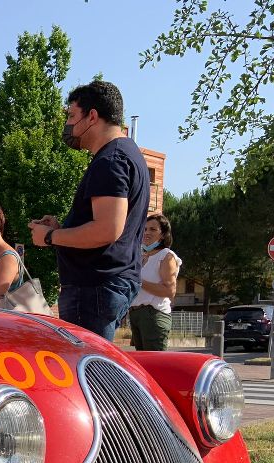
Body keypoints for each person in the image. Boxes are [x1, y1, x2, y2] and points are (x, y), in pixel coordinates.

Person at [28, 80, 150, 341]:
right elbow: (109, 225)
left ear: (92, 116)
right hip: (106, 286)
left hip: (94, 288)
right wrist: (62, 229)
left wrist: (49, 237)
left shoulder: (111, 160)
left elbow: (107, 229)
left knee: (89, 375)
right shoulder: (127, 154)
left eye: (72, 115)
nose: (68, 125)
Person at [128, 213, 181, 351]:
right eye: (145, 229)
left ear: (163, 235)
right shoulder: (140, 257)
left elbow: (170, 291)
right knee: (142, 365)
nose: (146, 233)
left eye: (153, 229)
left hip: (153, 315)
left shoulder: (166, 256)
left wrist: (138, 281)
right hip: (136, 315)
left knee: (154, 365)